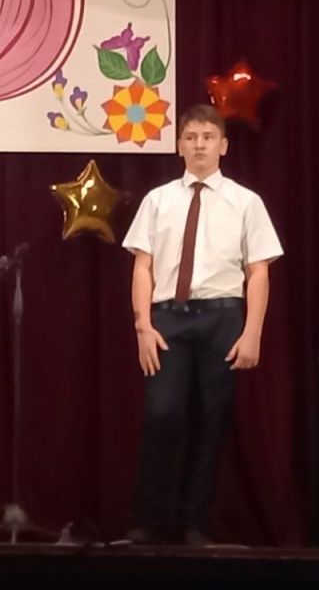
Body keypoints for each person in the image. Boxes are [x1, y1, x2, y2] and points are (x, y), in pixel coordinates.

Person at [121, 103, 283, 546]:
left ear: (223, 145)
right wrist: (143, 325)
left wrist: (252, 332)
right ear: (179, 146)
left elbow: (258, 272)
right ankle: (148, 519)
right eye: (191, 137)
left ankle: (195, 523)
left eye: (208, 138)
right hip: (168, 320)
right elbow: (142, 267)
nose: (199, 145)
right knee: (162, 415)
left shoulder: (246, 202)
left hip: (223, 318)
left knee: (213, 420)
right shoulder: (158, 200)